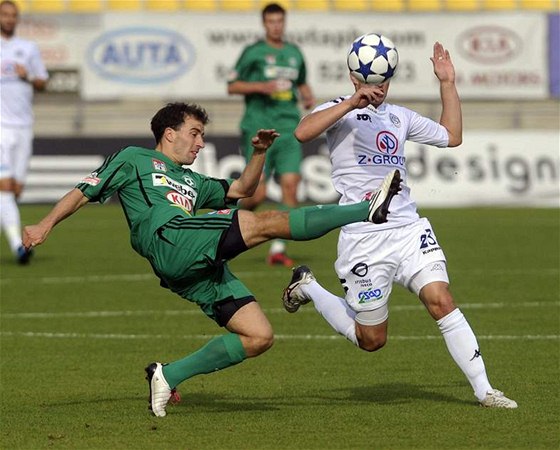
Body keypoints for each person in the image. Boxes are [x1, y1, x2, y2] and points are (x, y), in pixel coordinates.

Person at [23, 102, 401, 417]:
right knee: (267, 223)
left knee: (258, 336)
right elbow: (83, 191)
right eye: (195, 133)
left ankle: (167, 375)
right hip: (168, 239)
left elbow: (241, 189)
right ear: (169, 133)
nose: (200, 143)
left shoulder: (192, 181)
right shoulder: (134, 159)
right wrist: (45, 225)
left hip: (192, 264)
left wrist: (259, 153)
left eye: (203, 135)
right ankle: (365, 209)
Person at [282, 41, 518, 409]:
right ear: (352, 77)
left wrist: (447, 83)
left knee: (441, 300)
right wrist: (352, 101)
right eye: (369, 82)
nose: (377, 90)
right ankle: (309, 287)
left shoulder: (399, 116)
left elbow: (451, 136)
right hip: (363, 238)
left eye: (383, 82)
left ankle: (485, 390)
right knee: (371, 339)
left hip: (407, 228)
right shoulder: (337, 110)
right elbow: (302, 132)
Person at [227, 2, 315, 267]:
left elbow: (300, 82)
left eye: (280, 22)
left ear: (284, 23)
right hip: (259, 127)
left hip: (289, 129)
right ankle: (223, 224)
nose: (276, 26)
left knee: (291, 186)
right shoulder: (253, 53)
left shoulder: (294, 53)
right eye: (271, 22)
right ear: (264, 24)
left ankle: (277, 249)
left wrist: (308, 95)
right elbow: (232, 86)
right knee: (257, 194)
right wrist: (260, 86)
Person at [0, 0, 48, 264]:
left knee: (14, 191)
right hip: (0, 129)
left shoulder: (27, 49)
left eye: (13, 15)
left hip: (23, 127)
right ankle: (19, 247)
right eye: (4, 15)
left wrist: (27, 75)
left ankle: (11, 233)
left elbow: (42, 81)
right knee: (5, 190)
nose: (9, 19)